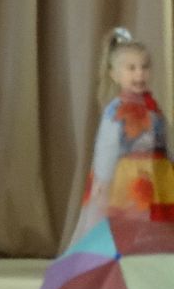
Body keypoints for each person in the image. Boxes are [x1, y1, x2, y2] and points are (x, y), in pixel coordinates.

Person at [68, 27, 174, 244]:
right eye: (131, 68)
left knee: (157, 226)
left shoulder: (153, 107)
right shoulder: (116, 111)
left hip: (158, 176)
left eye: (145, 67)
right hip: (127, 180)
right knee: (129, 226)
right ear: (115, 75)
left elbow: (164, 142)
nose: (139, 74)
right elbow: (107, 146)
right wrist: (103, 179)